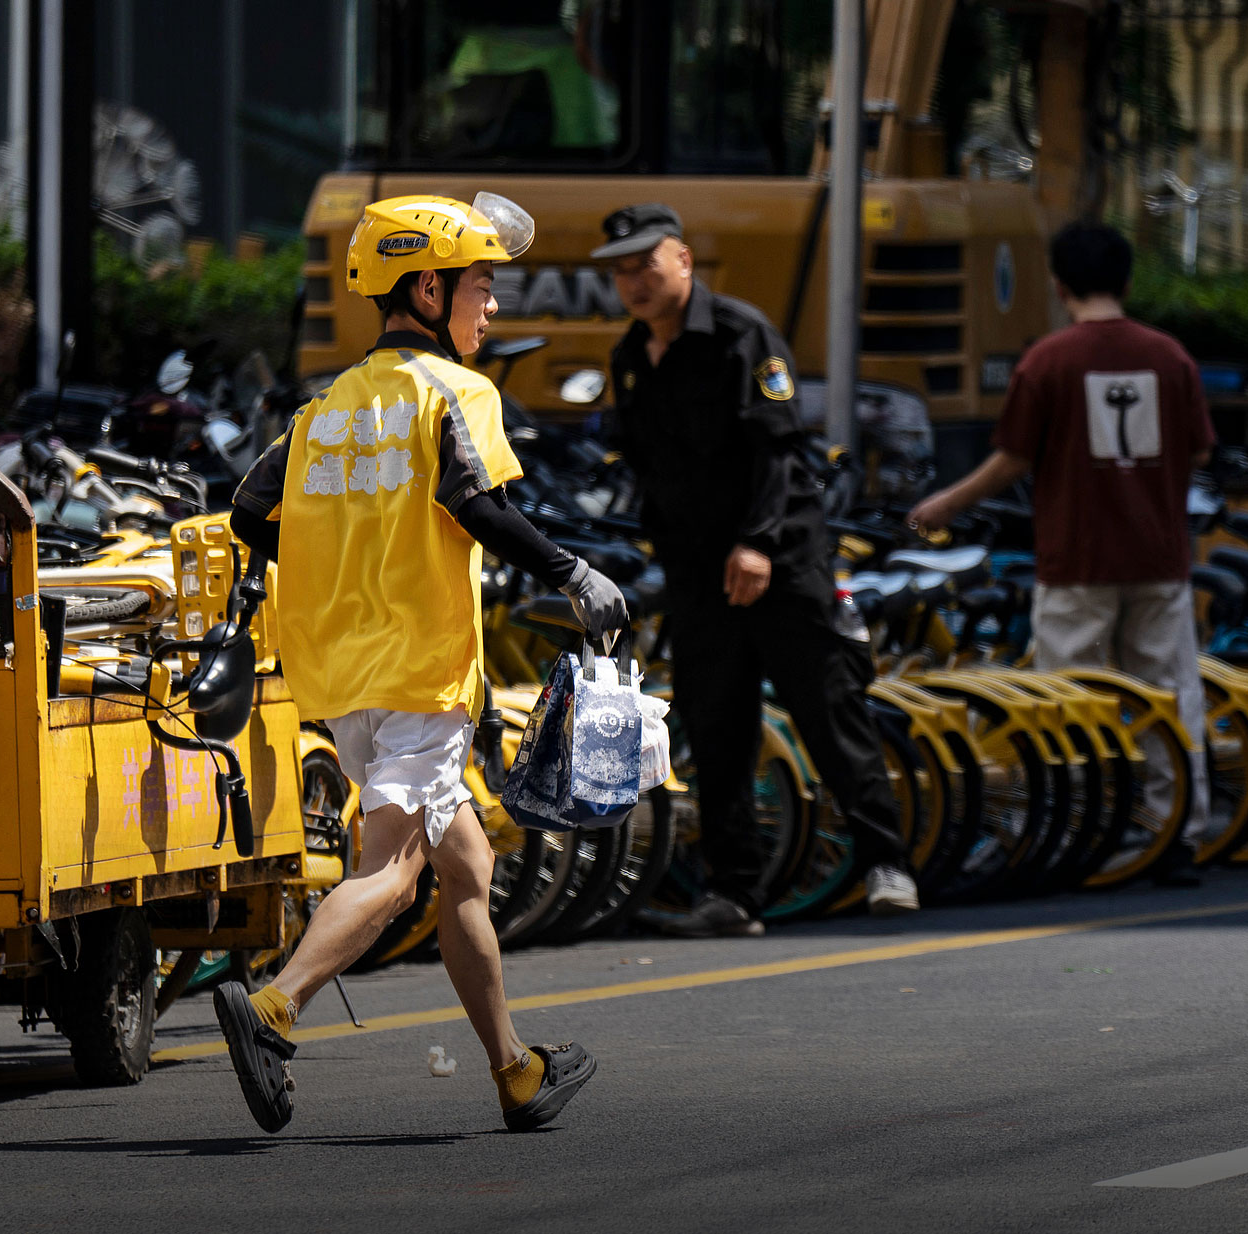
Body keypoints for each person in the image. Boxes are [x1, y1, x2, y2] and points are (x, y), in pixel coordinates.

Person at [216, 193, 620, 1134]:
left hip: (343, 672)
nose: (492, 307)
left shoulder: (324, 407)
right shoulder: (457, 394)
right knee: (393, 870)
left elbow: (248, 512)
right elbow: (479, 506)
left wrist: (338, 564)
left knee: (464, 866)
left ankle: (514, 1069)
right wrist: (572, 573)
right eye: (482, 286)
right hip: (420, 669)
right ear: (429, 288)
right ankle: (276, 1006)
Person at [598, 202, 920, 936]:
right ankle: (734, 894)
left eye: (646, 264)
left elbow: (779, 450)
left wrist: (760, 545)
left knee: (826, 710)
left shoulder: (743, 335)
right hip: (699, 573)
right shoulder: (629, 357)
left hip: (780, 560)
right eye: (621, 272)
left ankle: (886, 863)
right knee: (717, 731)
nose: (634, 283)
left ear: (682, 259)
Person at [909, 220, 1214, 884]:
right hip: (1159, 556)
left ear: (1058, 285)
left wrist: (945, 503)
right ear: (1128, 281)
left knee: (1070, 702)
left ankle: (1079, 829)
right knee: (1169, 693)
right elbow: (1197, 449)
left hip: (1077, 557)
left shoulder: (1047, 361)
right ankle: (1177, 832)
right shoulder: (1169, 357)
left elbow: (1013, 459)